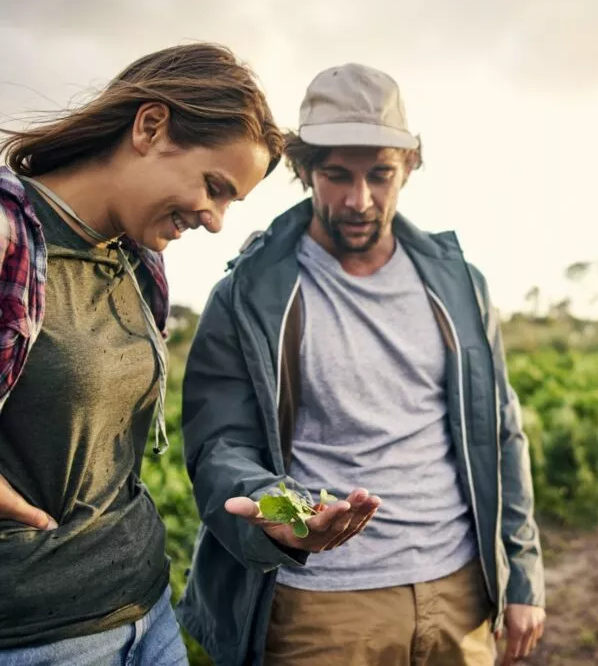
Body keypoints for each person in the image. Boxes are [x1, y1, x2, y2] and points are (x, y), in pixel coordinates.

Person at [176, 62, 546, 666]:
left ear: (410, 168)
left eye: (381, 175)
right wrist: (282, 512)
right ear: (301, 170)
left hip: (459, 591)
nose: (359, 199)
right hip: (320, 608)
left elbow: (500, 432)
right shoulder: (248, 295)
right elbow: (220, 450)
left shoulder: (460, 286)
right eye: (336, 175)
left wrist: (522, 575)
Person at [0, 42, 284, 665]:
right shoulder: (8, 230)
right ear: (150, 127)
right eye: (215, 186)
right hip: (35, 641)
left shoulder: (139, 263)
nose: (215, 220)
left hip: (147, 613)